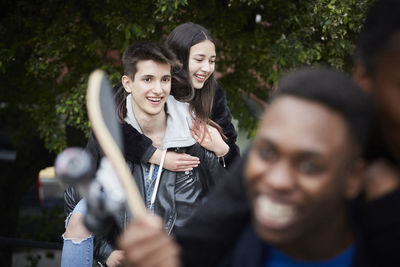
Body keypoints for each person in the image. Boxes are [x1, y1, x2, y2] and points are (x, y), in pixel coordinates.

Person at [120, 67, 373, 266]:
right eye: (267, 152)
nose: (277, 180)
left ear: (353, 177)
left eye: (309, 166)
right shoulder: (219, 251)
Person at [61, 41, 227, 267]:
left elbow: (228, 203)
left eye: (164, 80)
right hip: (123, 256)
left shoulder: (194, 139)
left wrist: (222, 150)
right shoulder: (109, 136)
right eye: (148, 79)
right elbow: (75, 201)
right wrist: (106, 253)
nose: (158, 90)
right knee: (79, 219)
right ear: (128, 83)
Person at [114, 22, 240, 174]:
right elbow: (106, 125)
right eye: (199, 60)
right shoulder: (147, 85)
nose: (207, 68)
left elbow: (235, 161)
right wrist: (158, 157)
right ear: (178, 58)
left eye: (211, 61)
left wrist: (222, 149)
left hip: (188, 192)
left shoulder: (215, 95)